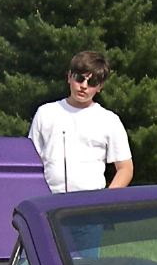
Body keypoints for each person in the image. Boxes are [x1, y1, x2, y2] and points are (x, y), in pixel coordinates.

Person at [28, 51, 133, 194]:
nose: (84, 86)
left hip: (91, 203)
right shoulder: (45, 113)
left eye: (92, 82)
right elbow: (30, 163)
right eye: (79, 78)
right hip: (48, 199)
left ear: (100, 87)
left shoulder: (109, 120)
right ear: (69, 77)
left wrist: (106, 199)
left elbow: (125, 168)